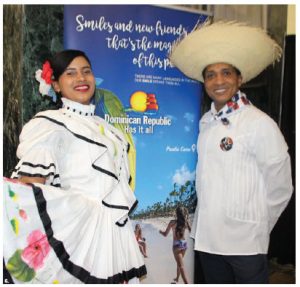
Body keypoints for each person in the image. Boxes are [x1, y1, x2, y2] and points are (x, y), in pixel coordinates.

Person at [3, 49, 146, 284]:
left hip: (115, 237)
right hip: (78, 238)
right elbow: (29, 187)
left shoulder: (108, 129)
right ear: (56, 85)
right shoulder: (49, 125)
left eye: (86, 71)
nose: (81, 78)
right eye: (71, 73)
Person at [169, 21, 293, 284]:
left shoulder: (259, 123)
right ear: (204, 82)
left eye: (226, 73)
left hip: (246, 244)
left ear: (240, 79)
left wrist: (256, 223)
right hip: (209, 242)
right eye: (211, 75)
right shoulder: (206, 123)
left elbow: (281, 187)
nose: (219, 81)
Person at [159, 206, 191, 284]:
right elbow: (191, 232)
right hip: (184, 245)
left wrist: (160, 231)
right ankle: (177, 278)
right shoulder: (185, 222)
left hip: (176, 246)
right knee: (179, 263)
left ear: (177, 213)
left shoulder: (172, 222)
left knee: (181, 266)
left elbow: (165, 234)